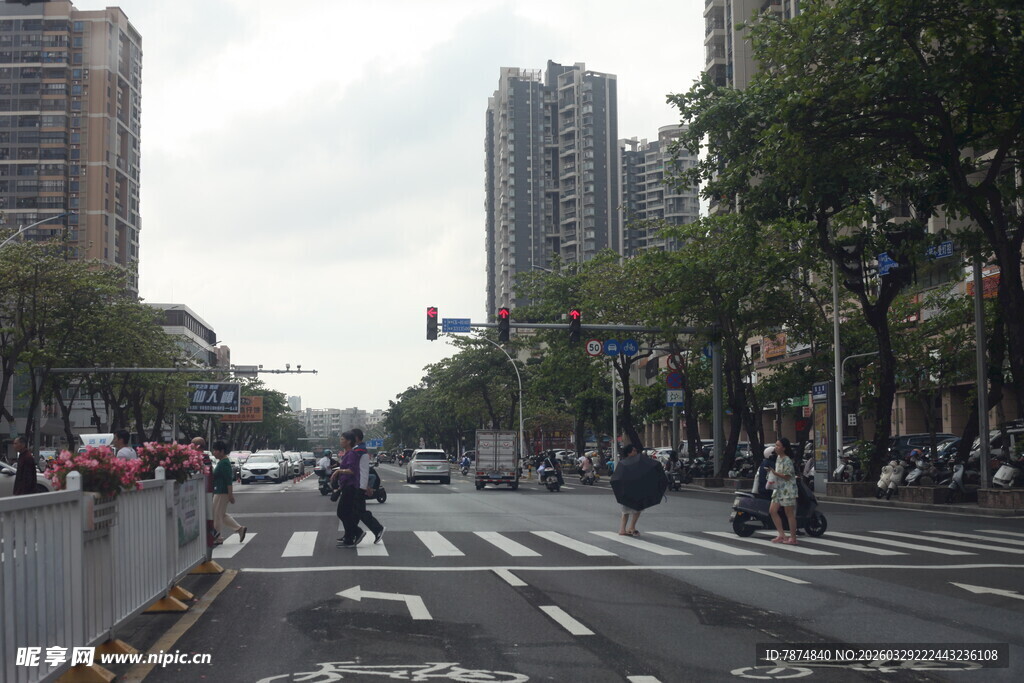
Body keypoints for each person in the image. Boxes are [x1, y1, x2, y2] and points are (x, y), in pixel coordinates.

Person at [333, 430, 384, 548]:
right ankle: (350, 536)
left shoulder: (358, 452)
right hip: (357, 485)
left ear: (354, 438)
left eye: (343, 438)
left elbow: (358, 471)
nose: (341, 441)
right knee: (353, 513)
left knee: (357, 511)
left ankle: (372, 530)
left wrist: (365, 486)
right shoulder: (357, 451)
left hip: (357, 486)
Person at [210, 440, 245, 545]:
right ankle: (239, 529)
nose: (214, 452)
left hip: (222, 492)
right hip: (219, 491)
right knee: (221, 514)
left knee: (217, 516)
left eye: (216, 450)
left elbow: (228, 480)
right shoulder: (222, 462)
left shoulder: (224, 463)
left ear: (222, 451)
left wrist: (230, 495)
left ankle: (218, 537)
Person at [768, 437, 798, 545]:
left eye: (778, 445)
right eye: (775, 445)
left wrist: (774, 473)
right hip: (778, 488)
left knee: (789, 513)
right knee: (772, 510)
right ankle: (781, 535)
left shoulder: (787, 460)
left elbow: (787, 476)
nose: (776, 447)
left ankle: (793, 538)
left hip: (788, 489)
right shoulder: (778, 458)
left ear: (784, 448)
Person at [617, 444, 642, 536]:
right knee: (636, 509)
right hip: (631, 489)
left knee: (628, 510)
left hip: (627, 489)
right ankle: (630, 527)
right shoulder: (633, 463)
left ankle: (624, 529)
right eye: (634, 451)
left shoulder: (623, 463)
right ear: (629, 453)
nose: (635, 452)